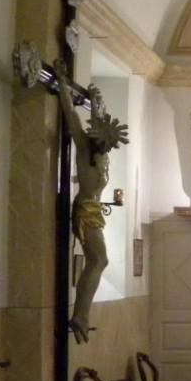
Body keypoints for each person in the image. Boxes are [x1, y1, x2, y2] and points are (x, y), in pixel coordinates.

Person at [55, 64, 129, 344]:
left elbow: (98, 119)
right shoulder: (85, 148)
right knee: (99, 259)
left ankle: (81, 315)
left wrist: (97, 100)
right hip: (85, 209)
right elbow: (72, 115)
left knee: (99, 260)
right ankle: (80, 315)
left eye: (109, 142)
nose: (107, 145)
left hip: (94, 209)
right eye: (104, 140)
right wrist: (62, 84)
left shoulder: (102, 155)